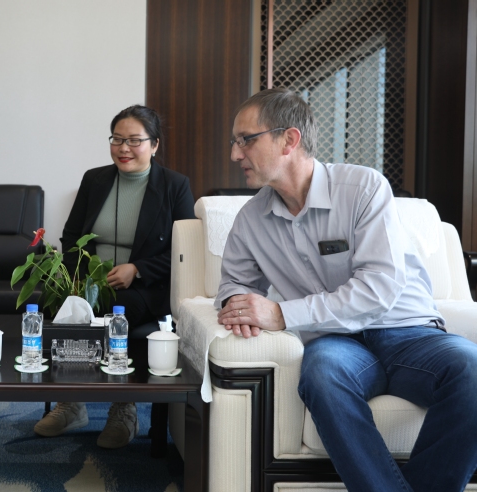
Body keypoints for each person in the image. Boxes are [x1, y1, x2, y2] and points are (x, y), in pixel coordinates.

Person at [216, 88, 477, 491]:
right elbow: (234, 283)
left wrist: (282, 314)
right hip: (335, 343)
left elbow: (377, 289)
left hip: (409, 333)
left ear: (289, 140)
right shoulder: (250, 219)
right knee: (321, 375)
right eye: (234, 142)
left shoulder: (363, 188)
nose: (236, 154)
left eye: (245, 140)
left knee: (472, 368)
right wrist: (238, 303)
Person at [34, 104, 195, 449]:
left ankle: (124, 408)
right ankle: (71, 402)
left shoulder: (174, 186)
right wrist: (78, 281)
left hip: (146, 288)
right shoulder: (95, 180)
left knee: (116, 312)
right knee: (52, 306)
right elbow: (72, 236)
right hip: (91, 283)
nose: (124, 148)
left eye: (134, 140)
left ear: (154, 144)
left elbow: (186, 252)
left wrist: (138, 269)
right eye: (117, 139)